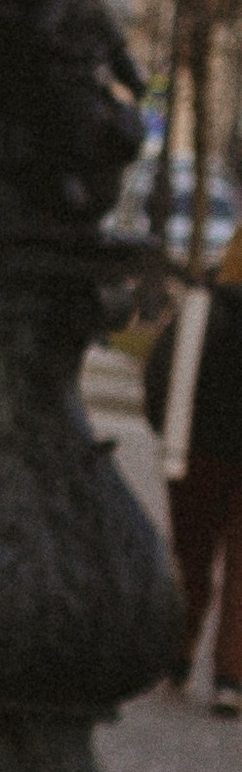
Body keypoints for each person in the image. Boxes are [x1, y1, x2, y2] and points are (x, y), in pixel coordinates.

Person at [145, 229, 242, 717]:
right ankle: (231, 677)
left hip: (200, 453)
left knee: (192, 557)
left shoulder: (204, 306)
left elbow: (162, 371)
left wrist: (168, 432)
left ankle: (179, 654)